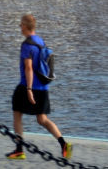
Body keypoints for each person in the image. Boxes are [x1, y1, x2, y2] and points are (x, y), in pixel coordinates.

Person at [6, 13, 71, 161]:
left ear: (25, 26)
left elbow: (28, 68)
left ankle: (19, 150)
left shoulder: (27, 45)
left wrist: (28, 90)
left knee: (17, 115)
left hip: (27, 87)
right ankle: (64, 144)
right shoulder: (40, 41)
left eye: (21, 24)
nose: (19, 27)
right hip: (43, 87)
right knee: (42, 119)